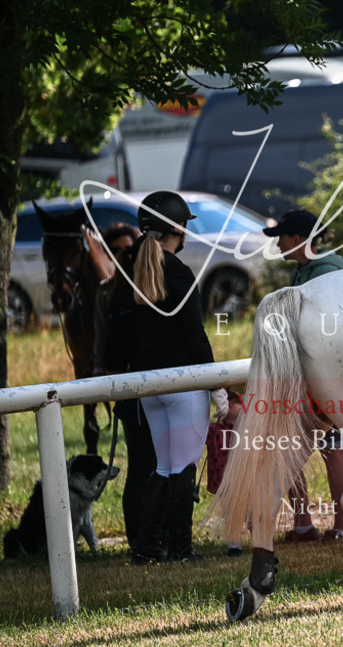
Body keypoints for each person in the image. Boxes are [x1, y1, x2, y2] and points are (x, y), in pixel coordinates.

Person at [110, 190, 228, 564]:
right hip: (182, 385)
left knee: (162, 467)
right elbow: (195, 336)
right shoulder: (180, 274)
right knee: (183, 468)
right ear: (177, 230)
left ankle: (146, 549)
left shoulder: (129, 274)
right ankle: (180, 549)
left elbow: (120, 341)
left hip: (148, 387)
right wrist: (216, 383)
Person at [262, 209, 343, 543]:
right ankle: (308, 523)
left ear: (298, 240)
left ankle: (338, 525)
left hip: (324, 374)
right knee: (315, 448)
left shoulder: (322, 273)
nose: (278, 245)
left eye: (282, 238)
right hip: (309, 373)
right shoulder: (308, 270)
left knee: (329, 449)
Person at [95, 224, 159, 555]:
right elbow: (109, 353)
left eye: (127, 249)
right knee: (142, 466)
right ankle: (140, 538)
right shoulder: (116, 296)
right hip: (133, 393)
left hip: (144, 391)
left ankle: (150, 534)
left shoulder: (130, 293)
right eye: (118, 250)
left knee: (150, 465)